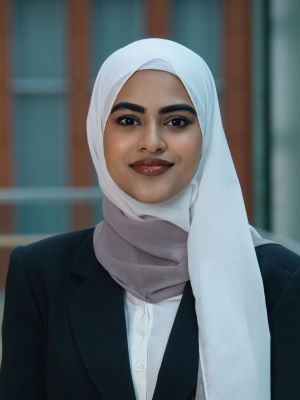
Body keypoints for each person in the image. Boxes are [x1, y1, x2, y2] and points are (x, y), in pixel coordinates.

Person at [0, 38, 300, 400]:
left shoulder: (280, 281)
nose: (152, 141)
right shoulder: (39, 275)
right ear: (99, 133)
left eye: (176, 121)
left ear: (207, 134)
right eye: (128, 120)